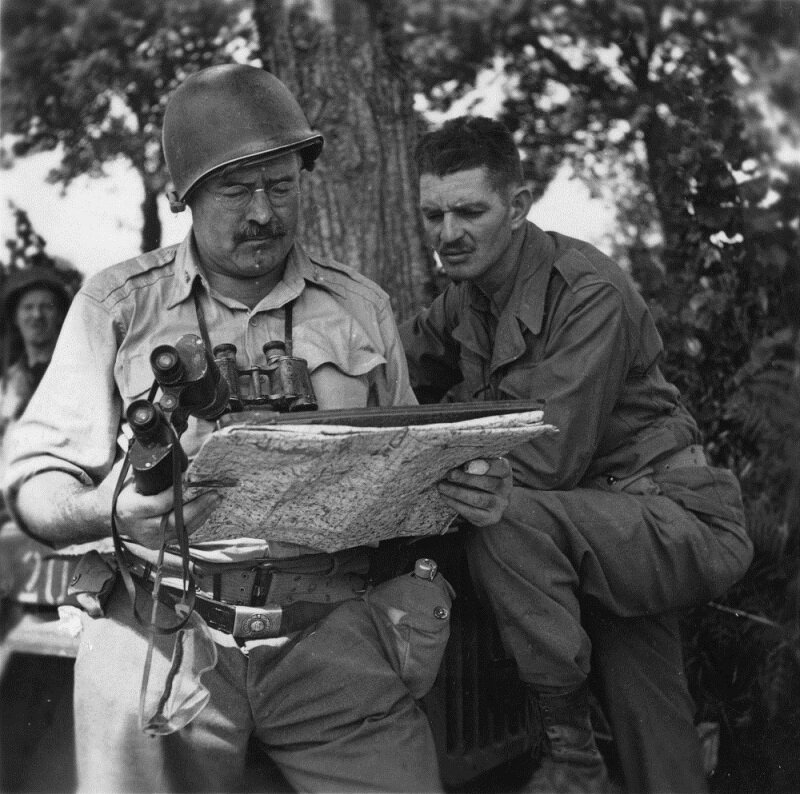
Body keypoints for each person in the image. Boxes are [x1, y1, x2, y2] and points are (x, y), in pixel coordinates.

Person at [2, 66, 513, 794]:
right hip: (163, 628)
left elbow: (405, 475)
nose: (265, 213)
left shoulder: (360, 307)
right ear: (188, 197)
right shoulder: (116, 308)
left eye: (282, 185)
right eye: (236, 190)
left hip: (329, 637)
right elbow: (34, 482)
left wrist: (465, 491)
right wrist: (105, 507)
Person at [400, 116, 754, 794]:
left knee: (503, 518)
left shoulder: (587, 290)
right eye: (434, 214)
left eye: (471, 211)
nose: (449, 233)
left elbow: (540, 460)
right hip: (597, 524)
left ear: (519, 206)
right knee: (659, 739)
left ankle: (572, 757)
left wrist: (433, 437)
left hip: (672, 517)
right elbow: (394, 361)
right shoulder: (467, 300)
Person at [0, 267, 70, 440]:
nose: (37, 315)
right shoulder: (6, 386)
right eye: (28, 307)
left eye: (46, 307)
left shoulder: (75, 372)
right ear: (15, 318)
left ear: (60, 315)